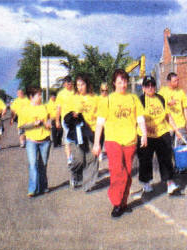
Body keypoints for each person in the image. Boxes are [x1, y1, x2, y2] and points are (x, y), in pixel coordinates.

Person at [92, 69, 147, 218]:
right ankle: (116, 202)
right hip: (113, 140)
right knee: (118, 171)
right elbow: (99, 124)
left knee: (128, 174)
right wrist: (97, 143)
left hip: (130, 141)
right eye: (119, 82)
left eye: (124, 81)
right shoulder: (107, 100)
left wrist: (144, 134)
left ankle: (123, 203)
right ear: (114, 83)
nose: (123, 85)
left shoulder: (133, 99)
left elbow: (140, 118)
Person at [137, 76, 182, 195]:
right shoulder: (140, 100)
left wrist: (176, 130)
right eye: (147, 86)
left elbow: (168, 116)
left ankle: (170, 183)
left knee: (166, 158)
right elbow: (137, 118)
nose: (150, 88)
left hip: (162, 132)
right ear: (143, 88)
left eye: (152, 85)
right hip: (146, 135)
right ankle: (146, 183)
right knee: (145, 160)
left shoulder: (160, 99)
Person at [63, 74, 99, 192]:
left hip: (91, 132)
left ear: (87, 85)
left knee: (92, 159)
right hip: (77, 133)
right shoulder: (73, 98)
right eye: (78, 85)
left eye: (82, 84)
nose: (80, 87)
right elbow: (67, 117)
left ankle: (88, 185)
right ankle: (75, 174)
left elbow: (100, 115)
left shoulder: (95, 98)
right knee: (79, 159)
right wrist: (73, 115)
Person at [17, 87, 52, 197]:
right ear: (31, 97)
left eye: (41, 95)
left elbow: (49, 122)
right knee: (33, 164)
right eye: (39, 95)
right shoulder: (25, 109)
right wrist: (34, 124)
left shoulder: (44, 107)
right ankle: (32, 189)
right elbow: (21, 125)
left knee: (43, 164)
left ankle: (43, 186)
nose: (41, 97)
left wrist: (48, 124)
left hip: (45, 140)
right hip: (31, 141)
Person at [158, 72, 187, 148]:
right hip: (167, 126)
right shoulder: (162, 92)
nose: (177, 82)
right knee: (167, 149)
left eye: (177, 80)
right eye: (175, 81)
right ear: (169, 82)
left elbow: (185, 107)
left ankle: (179, 160)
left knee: (180, 147)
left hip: (180, 125)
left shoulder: (181, 92)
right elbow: (158, 105)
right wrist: (167, 103)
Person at [55, 76, 75, 164]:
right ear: (64, 85)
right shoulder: (61, 94)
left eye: (70, 83)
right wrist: (57, 120)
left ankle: (76, 155)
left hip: (76, 119)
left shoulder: (76, 92)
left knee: (77, 138)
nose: (68, 85)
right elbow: (58, 108)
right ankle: (69, 157)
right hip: (66, 120)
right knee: (67, 138)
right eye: (67, 84)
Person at [97, 82, 108, 161]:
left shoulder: (110, 98)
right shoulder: (98, 99)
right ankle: (99, 153)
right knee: (100, 138)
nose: (104, 92)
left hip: (108, 122)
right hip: (100, 122)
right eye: (102, 90)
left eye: (106, 90)